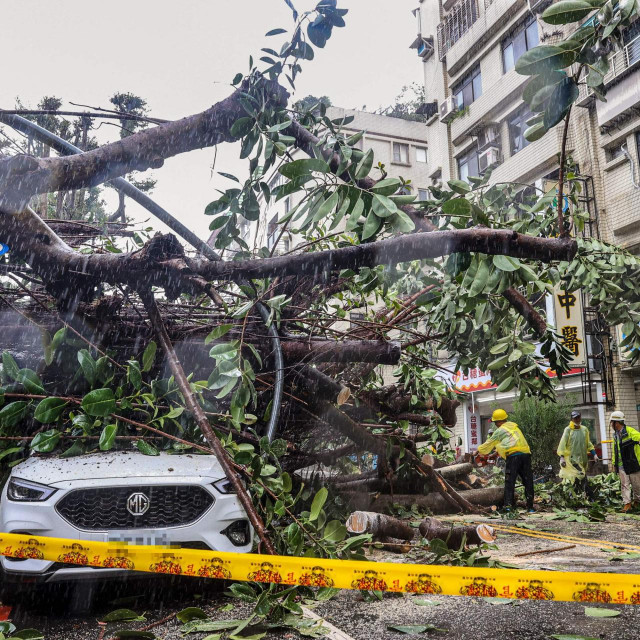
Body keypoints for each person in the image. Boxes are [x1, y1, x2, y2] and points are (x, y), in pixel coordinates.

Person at [476, 409, 534, 512]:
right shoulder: (515, 428)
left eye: (495, 422)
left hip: (513, 457)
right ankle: (530, 507)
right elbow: (508, 444)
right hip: (526, 455)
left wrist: (476, 452)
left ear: (498, 421)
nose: (495, 425)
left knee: (509, 482)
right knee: (527, 481)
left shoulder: (500, 430)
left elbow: (488, 444)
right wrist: (494, 454)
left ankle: (508, 507)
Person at [557, 410, 599, 495]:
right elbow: (562, 444)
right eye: (575, 418)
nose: (577, 419)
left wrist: (594, 454)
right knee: (580, 476)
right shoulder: (568, 430)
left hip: (582, 459)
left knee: (577, 478)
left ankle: (575, 496)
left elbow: (588, 443)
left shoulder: (584, 429)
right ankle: (589, 495)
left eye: (578, 417)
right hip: (571, 460)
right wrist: (562, 457)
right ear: (572, 419)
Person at [611, 411, 640, 512]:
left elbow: (639, 438)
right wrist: (614, 463)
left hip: (633, 463)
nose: (611, 425)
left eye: (612, 422)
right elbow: (615, 450)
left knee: (637, 484)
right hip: (621, 464)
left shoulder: (630, 431)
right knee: (624, 485)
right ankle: (627, 504)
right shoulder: (615, 435)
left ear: (617, 423)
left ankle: (637, 501)